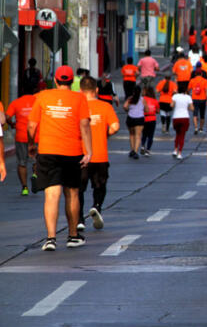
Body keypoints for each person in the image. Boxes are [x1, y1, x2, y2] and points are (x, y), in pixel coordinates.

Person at [28, 65, 91, 251]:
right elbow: (85, 125)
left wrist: (32, 144)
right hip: (72, 152)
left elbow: (32, 125)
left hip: (47, 151)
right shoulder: (79, 98)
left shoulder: (43, 96)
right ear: (72, 82)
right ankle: (72, 236)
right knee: (71, 193)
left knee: (51, 194)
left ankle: (51, 238)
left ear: (55, 80)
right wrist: (88, 151)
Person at [79, 76, 119, 230]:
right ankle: (96, 206)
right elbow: (115, 126)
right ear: (96, 90)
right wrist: (105, 133)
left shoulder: (77, 107)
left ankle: (80, 219)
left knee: (79, 189)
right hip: (100, 155)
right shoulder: (105, 107)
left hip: (81, 155)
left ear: (81, 91)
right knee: (99, 185)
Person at [6, 87, 36, 195]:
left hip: (21, 137)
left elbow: (7, 117)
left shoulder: (16, 103)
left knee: (22, 163)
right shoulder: (37, 102)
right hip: (36, 136)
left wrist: (12, 124)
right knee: (37, 160)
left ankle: (25, 188)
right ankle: (35, 175)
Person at [123, 85, 146, 159]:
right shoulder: (142, 99)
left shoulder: (130, 99)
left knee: (132, 134)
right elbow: (147, 109)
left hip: (131, 118)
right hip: (139, 118)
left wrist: (128, 110)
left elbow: (125, 106)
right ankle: (136, 151)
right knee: (138, 135)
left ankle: (132, 149)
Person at [171, 84, 194, 159]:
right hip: (185, 117)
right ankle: (179, 153)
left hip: (176, 117)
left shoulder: (175, 96)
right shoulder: (188, 97)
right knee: (182, 135)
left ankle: (175, 149)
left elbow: (171, 105)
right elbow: (192, 108)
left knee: (177, 134)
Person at [188, 70, 207, 134]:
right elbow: (206, 91)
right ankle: (201, 128)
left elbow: (188, 89)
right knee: (202, 114)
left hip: (194, 99)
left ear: (195, 74)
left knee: (195, 114)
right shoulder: (205, 81)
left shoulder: (192, 80)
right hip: (203, 99)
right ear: (201, 74)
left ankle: (195, 128)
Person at [141, 86, 160, 156]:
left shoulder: (143, 99)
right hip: (152, 119)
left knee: (144, 134)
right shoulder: (155, 101)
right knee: (150, 136)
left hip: (144, 118)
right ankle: (148, 150)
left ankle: (142, 145)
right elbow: (158, 111)